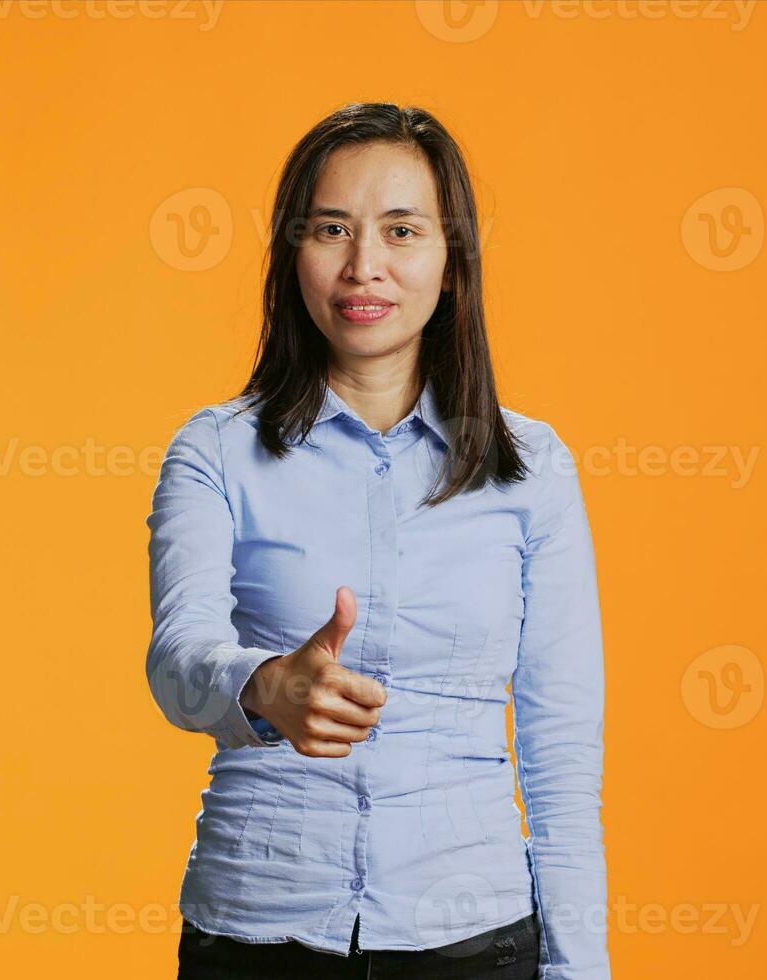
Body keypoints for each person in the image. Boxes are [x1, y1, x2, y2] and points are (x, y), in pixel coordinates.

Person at [146, 102, 609, 979]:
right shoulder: (214, 450)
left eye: (401, 230)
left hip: (475, 939)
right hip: (258, 934)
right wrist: (262, 684)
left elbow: (560, 752)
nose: (365, 266)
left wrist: (578, 968)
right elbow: (176, 659)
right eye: (332, 229)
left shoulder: (533, 469)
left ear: (450, 260)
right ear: (293, 255)